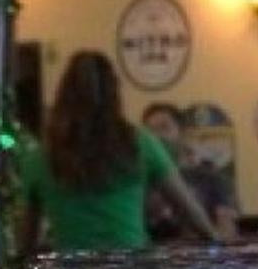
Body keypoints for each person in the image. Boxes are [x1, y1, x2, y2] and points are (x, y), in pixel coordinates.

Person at [17, 51, 217, 253]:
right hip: (131, 266)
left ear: (63, 96)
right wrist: (215, 243)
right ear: (114, 95)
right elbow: (191, 212)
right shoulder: (141, 143)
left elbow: (25, 241)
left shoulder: (39, 157)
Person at [142, 102, 239, 241]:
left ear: (182, 133)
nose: (158, 136)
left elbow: (227, 228)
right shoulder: (142, 181)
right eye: (151, 131)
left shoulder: (211, 177)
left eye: (164, 127)